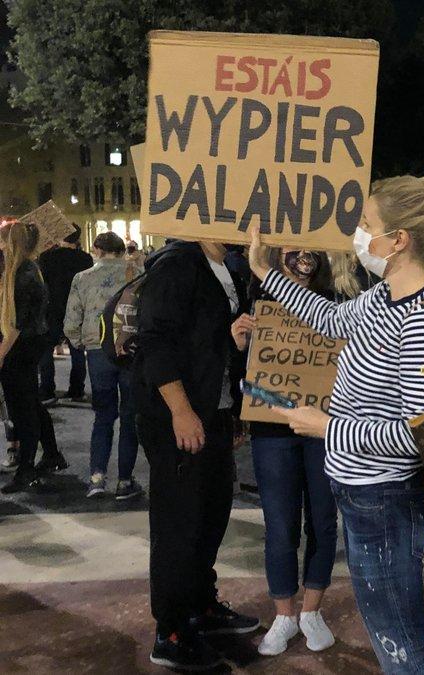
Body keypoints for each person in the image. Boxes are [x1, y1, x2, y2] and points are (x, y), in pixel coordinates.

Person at [247, 165, 424, 674]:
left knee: (401, 643)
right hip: (361, 490)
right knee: (390, 633)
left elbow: (417, 437)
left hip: (385, 499)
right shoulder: (382, 297)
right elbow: (327, 319)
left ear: (398, 240)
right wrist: (266, 273)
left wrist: (327, 428)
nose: (357, 235)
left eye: (366, 223)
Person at [136, 236, 257, 670]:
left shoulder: (230, 267)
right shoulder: (177, 264)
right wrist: (181, 411)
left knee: (211, 513)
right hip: (179, 417)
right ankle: (169, 631)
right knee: (178, 523)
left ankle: (201, 605)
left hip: (216, 412)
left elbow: (215, 347)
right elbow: (155, 342)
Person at [230, 247, 339, 657]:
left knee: (324, 521)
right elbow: (245, 376)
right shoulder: (258, 305)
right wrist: (238, 344)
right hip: (271, 427)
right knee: (279, 524)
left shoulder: (335, 306)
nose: (302, 271)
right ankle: (284, 614)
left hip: (323, 428)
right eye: (295, 263)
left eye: (309, 265)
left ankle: (312, 611)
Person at [63, 232, 142, 500]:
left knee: (103, 415)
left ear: (97, 249)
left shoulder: (83, 278)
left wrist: (79, 342)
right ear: (121, 250)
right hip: (130, 350)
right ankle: (125, 480)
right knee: (130, 415)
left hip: (98, 351)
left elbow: (72, 320)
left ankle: (97, 477)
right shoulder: (137, 273)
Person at [0, 221, 65, 493]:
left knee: (22, 408)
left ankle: (27, 468)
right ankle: (51, 454)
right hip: (30, 343)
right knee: (30, 403)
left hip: (21, 346)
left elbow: (17, 322)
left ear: (10, 243)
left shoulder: (21, 274)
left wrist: (1, 354)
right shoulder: (29, 270)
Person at [37, 225, 92, 404]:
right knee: (77, 350)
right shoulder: (85, 259)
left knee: (46, 351)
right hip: (76, 309)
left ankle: (47, 390)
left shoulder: (46, 258)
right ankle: (76, 389)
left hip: (52, 309)